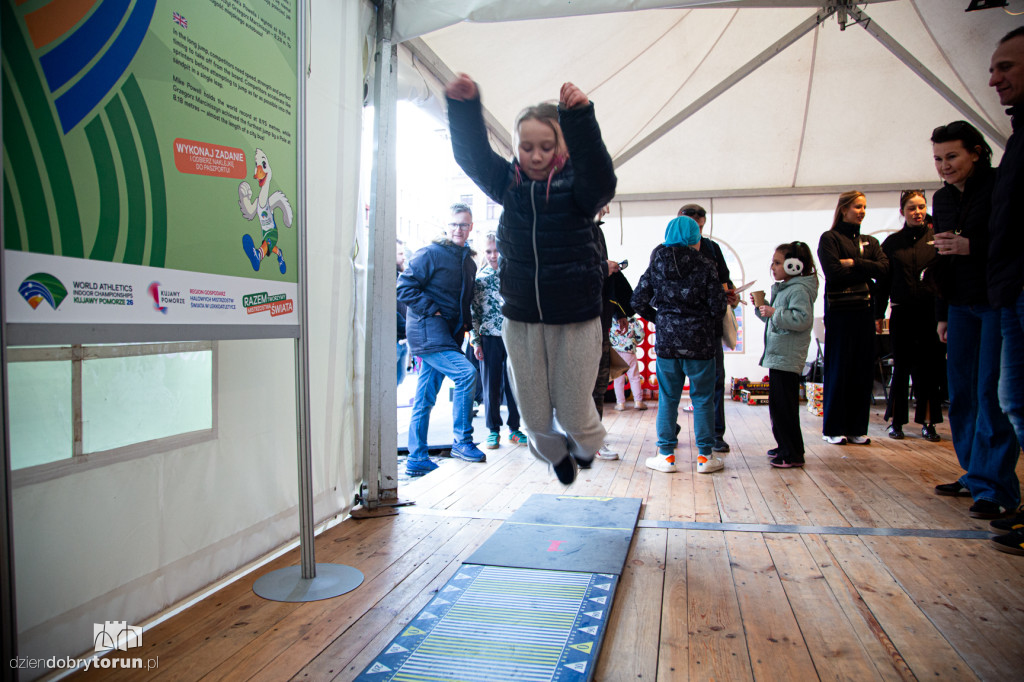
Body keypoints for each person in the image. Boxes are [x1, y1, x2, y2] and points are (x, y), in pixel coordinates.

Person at [446, 74, 617, 485]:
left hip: (575, 318)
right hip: (522, 318)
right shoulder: (510, 185)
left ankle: (587, 446)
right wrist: (465, 109)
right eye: (527, 147)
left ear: (561, 147)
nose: (536, 156)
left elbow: (602, 179)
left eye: (546, 146)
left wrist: (578, 118)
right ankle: (557, 454)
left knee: (575, 411)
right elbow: (473, 157)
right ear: (517, 149)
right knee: (535, 418)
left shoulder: (578, 189)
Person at [929, 120, 1020, 520]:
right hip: (960, 305)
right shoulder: (943, 199)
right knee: (961, 393)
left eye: (952, 156)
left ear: (977, 152)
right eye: (938, 159)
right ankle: (975, 472)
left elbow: (1012, 242)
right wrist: (943, 312)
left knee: (991, 396)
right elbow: (942, 257)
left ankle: (995, 486)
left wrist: (971, 246)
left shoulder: (1001, 185)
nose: (944, 166)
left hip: (995, 301)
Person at [396, 203, 488, 476]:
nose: (458, 229)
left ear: (471, 227)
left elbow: (464, 302)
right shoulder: (431, 253)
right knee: (466, 374)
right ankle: (462, 441)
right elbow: (404, 287)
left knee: (424, 398)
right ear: (446, 227)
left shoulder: (469, 262)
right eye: (454, 224)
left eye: (464, 224)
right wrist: (431, 308)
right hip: (428, 331)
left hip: (450, 334)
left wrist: (471, 332)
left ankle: (416, 458)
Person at [632, 215, 727, 474]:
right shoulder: (707, 264)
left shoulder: (657, 262)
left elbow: (637, 300)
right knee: (704, 399)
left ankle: (666, 455)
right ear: (694, 237)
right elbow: (718, 307)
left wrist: (660, 319)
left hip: (667, 344)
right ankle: (706, 458)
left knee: (668, 398)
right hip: (700, 343)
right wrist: (703, 319)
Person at [987, 26, 1024, 554]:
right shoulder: (1017, 139)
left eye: (1007, 67)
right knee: (1012, 398)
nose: (994, 78)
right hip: (1009, 288)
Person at [816, 191, 888, 445]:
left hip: (865, 311)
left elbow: (884, 268)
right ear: (844, 209)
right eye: (857, 206)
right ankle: (833, 427)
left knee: (862, 369)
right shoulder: (830, 238)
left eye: (865, 207)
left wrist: (853, 263)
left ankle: (857, 427)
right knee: (839, 367)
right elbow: (833, 272)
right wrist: (864, 268)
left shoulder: (871, 241)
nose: (862, 211)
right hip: (840, 313)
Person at [875, 191, 944, 441]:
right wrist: (878, 312)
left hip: (930, 313)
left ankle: (929, 422)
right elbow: (883, 282)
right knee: (901, 368)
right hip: (902, 312)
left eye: (921, 207)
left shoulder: (937, 239)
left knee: (928, 369)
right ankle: (896, 422)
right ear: (902, 211)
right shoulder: (892, 244)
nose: (918, 212)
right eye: (912, 208)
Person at [677, 204, 738, 454]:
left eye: (701, 227)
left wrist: (729, 293)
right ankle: (669, 433)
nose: (697, 233)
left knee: (714, 380)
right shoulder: (666, 252)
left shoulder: (711, 248)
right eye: (693, 227)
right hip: (679, 331)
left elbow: (725, 278)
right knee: (672, 385)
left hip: (709, 327)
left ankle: (715, 434)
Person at [752, 242, 818, 468]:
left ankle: (792, 454)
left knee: (785, 408)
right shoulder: (787, 288)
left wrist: (774, 312)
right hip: (779, 355)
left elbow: (802, 319)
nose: (773, 266)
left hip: (787, 357)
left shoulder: (798, 290)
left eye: (778, 262)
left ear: (794, 265)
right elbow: (776, 320)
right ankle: (785, 446)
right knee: (778, 406)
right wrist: (763, 309)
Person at [470, 231, 528, 449]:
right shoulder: (479, 280)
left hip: (514, 337)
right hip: (489, 338)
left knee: (514, 384)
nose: (494, 255)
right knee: (490, 384)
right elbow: (474, 312)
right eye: (489, 251)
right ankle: (493, 430)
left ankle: (515, 429)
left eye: (497, 250)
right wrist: (476, 342)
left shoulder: (515, 275)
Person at [610, 314, 646, 411]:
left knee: (618, 380)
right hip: (629, 352)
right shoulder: (633, 320)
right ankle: (638, 401)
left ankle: (620, 403)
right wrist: (635, 341)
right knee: (634, 378)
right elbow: (641, 334)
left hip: (616, 353)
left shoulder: (613, 319)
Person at [397, 239, 409, 386]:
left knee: (398, 380)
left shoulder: (400, 278)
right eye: (400, 253)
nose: (403, 257)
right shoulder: (385, 279)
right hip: (394, 338)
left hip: (403, 339)